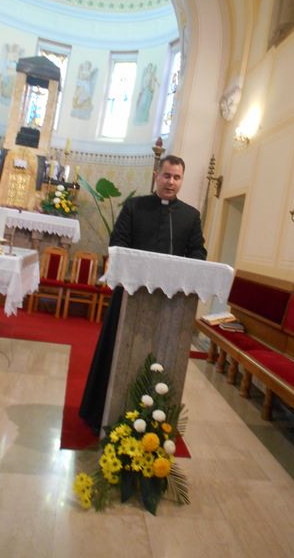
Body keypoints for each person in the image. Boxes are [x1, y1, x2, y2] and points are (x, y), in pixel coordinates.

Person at [79, 155, 207, 432]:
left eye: (177, 177)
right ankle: (102, 413)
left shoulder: (190, 216)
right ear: (156, 176)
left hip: (171, 304)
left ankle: (158, 419)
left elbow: (198, 252)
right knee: (114, 351)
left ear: (182, 180)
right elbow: (118, 243)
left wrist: (190, 267)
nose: (171, 182)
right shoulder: (134, 207)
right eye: (166, 175)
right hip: (130, 295)